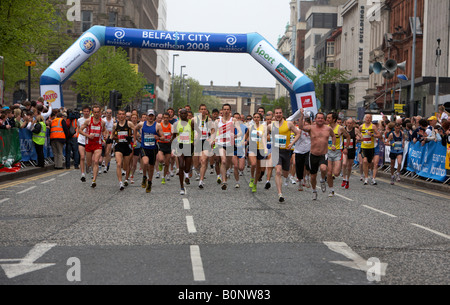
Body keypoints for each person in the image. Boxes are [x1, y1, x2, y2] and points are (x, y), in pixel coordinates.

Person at [298, 110, 336, 200]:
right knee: (313, 176)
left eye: (322, 118)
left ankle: (322, 179)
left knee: (323, 168)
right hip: (313, 155)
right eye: (318, 118)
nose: (320, 119)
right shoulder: (311, 128)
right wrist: (302, 116)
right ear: (315, 119)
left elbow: (333, 136)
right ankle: (314, 191)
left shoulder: (328, 128)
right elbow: (300, 126)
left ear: (324, 120)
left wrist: (333, 145)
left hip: (323, 154)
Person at [268, 107, 300, 203]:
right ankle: (280, 194)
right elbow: (264, 134)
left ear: (282, 114)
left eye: (280, 113)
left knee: (285, 174)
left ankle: (287, 177)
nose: (278, 114)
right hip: (276, 151)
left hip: (286, 151)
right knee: (278, 171)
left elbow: (298, 133)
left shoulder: (289, 124)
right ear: (274, 114)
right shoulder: (271, 126)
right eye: (276, 113)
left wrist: (292, 143)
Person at [214, 104, 242, 190]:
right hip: (221, 143)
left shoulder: (233, 120)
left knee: (228, 163)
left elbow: (240, 132)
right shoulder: (217, 121)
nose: (226, 111)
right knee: (223, 161)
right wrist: (213, 139)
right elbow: (214, 133)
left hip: (230, 144)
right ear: (221, 111)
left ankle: (224, 172)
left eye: (227, 109)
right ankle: (224, 181)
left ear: (230, 111)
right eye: (224, 109)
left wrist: (235, 135)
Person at [78, 105, 108, 188]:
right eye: (95, 112)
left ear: (100, 112)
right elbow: (79, 130)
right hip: (89, 144)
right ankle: (88, 167)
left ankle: (94, 180)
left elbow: (105, 131)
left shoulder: (102, 122)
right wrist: (87, 135)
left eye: (98, 112)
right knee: (89, 162)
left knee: (96, 161)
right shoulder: (88, 121)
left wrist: (105, 136)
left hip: (97, 144)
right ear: (92, 113)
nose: (96, 114)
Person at [134, 109, 163, 193]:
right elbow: (135, 129)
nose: (150, 117)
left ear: (154, 117)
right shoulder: (142, 124)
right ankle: (144, 177)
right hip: (144, 147)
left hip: (153, 149)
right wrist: (135, 140)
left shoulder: (157, 125)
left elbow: (163, 137)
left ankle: (149, 181)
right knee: (145, 162)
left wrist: (158, 138)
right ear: (146, 116)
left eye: (152, 116)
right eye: (149, 116)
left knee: (151, 167)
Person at [326, 112, 350, 197]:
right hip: (328, 151)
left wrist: (346, 147)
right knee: (329, 173)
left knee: (336, 173)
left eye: (329, 118)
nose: (327, 119)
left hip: (337, 152)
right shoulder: (326, 128)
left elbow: (348, 136)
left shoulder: (340, 128)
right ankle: (331, 189)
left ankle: (334, 172)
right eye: (327, 118)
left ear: (334, 119)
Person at [110, 109, 136, 190]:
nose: (121, 116)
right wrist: (110, 139)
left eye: (123, 114)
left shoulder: (129, 123)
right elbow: (112, 133)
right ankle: (120, 182)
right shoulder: (115, 125)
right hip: (118, 146)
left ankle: (126, 179)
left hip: (127, 146)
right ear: (117, 115)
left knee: (126, 165)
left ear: (125, 115)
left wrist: (133, 139)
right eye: (120, 114)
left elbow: (134, 129)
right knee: (118, 163)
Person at [171, 108, 194, 195]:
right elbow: (174, 134)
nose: (183, 115)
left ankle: (187, 174)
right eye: (182, 114)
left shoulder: (191, 123)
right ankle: (181, 186)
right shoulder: (176, 124)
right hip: (180, 145)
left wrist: (195, 140)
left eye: (185, 114)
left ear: (187, 115)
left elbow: (197, 132)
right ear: (180, 115)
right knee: (181, 165)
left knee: (187, 168)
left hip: (189, 145)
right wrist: (172, 141)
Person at [193, 104, 215, 189]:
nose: (203, 111)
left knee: (203, 160)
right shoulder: (194, 120)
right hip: (196, 142)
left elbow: (213, 130)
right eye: (201, 109)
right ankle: (197, 170)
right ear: (199, 111)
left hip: (205, 141)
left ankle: (201, 180)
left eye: (204, 109)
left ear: (206, 111)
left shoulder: (209, 120)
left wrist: (211, 139)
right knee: (196, 163)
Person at [246, 112, 267, 193]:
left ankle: (255, 183)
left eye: (258, 117)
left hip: (261, 148)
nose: (256, 118)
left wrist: (261, 135)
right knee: (253, 164)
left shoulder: (264, 127)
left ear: (261, 119)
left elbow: (267, 137)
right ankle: (251, 178)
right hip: (252, 147)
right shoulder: (251, 127)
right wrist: (243, 141)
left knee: (258, 169)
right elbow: (246, 135)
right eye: (254, 117)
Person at [359, 114, 381, 185]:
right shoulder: (361, 126)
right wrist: (359, 138)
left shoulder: (373, 126)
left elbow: (379, 135)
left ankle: (372, 177)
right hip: (364, 147)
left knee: (372, 163)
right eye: (367, 117)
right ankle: (366, 178)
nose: (368, 119)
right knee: (365, 161)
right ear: (364, 118)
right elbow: (359, 134)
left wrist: (372, 135)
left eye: (369, 118)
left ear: (371, 119)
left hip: (372, 147)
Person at [341, 118, 361, 189]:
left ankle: (347, 179)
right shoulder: (343, 129)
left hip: (352, 149)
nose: (349, 125)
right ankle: (343, 178)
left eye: (350, 123)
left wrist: (358, 139)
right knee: (344, 163)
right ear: (346, 123)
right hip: (345, 149)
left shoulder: (355, 130)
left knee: (349, 166)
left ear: (353, 124)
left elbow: (362, 138)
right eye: (348, 123)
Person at [294, 117, 311, 191]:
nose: (306, 127)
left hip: (308, 150)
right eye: (305, 125)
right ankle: (300, 182)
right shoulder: (299, 130)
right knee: (299, 167)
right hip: (299, 151)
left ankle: (307, 178)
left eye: (307, 125)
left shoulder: (311, 131)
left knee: (308, 164)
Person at [157, 112, 173, 185]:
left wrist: (171, 139)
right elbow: (155, 133)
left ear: (169, 118)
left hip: (168, 145)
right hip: (161, 144)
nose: (166, 119)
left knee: (167, 163)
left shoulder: (171, 126)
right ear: (162, 118)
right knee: (160, 159)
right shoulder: (159, 125)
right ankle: (160, 163)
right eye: (164, 117)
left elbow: (173, 136)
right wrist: (159, 137)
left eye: (167, 118)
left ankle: (163, 177)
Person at [232, 112, 247, 188]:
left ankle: (239, 172)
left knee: (241, 167)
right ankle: (237, 181)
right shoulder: (230, 127)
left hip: (241, 148)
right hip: (233, 148)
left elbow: (248, 136)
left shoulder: (244, 127)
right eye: (235, 118)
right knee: (235, 166)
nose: (237, 120)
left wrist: (246, 141)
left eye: (238, 118)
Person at [77, 106, 91, 182]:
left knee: (89, 159)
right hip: (81, 140)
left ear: (89, 112)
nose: (86, 113)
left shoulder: (92, 120)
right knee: (82, 157)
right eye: (84, 111)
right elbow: (78, 128)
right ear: (82, 112)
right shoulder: (79, 120)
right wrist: (77, 134)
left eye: (87, 111)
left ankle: (88, 166)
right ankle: (82, 173)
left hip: (89, 141)